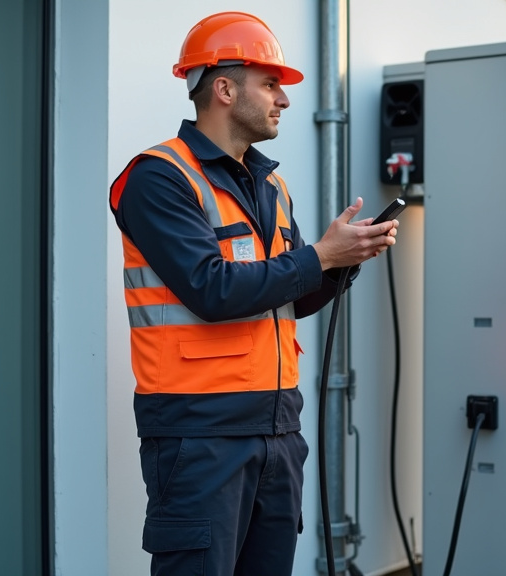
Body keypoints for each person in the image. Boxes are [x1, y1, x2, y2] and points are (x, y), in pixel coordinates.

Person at [108, 11, 397, 576]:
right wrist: (318, 256)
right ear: (223, 88)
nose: (283, 100)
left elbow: (279, 297)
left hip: (277, 431)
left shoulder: (271, 186)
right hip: (199, 437)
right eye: (270, 84)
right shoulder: (157, 178)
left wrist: (341, 264)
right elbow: (212, 290)